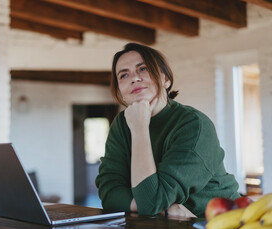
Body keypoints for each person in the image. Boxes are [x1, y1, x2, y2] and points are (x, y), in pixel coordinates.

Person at [95, 42, 240, 218]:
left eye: (143, 69)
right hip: (165, 226)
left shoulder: (193, 125)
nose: (134, 78)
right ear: (120, 90)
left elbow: (151, 201)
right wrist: (162, 208)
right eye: (124, 75)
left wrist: (140, 128)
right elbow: (109, 191)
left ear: (165, 79)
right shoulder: (121, 125)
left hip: (221, 225)